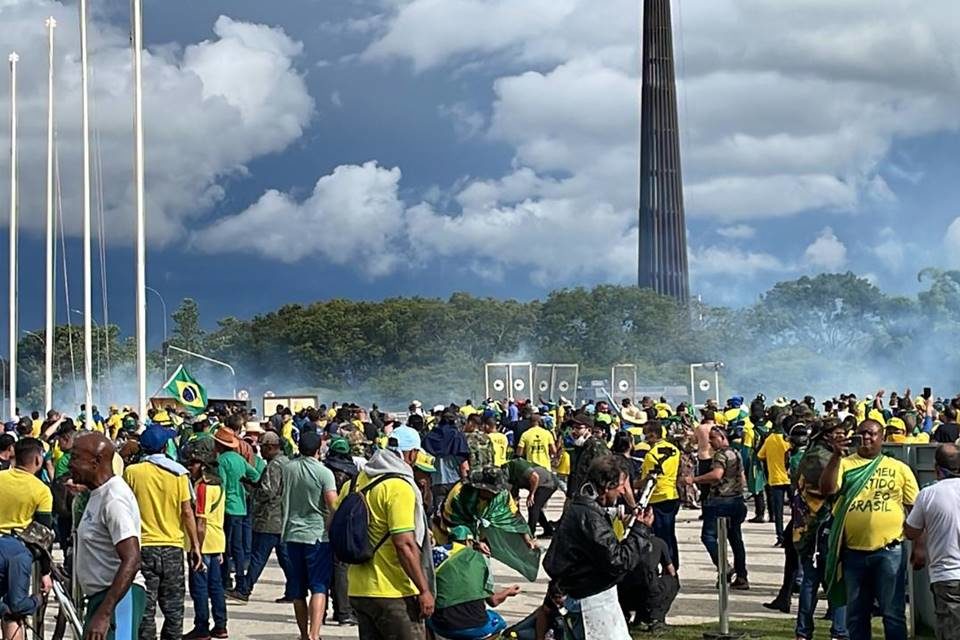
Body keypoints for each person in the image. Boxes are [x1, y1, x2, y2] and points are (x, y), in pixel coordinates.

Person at [821, 419, 918, 640]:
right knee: (856, 614)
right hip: (853, 553)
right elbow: (827, 489)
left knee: (892, 613)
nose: (866, 438)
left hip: (889, 551)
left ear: (882, 437)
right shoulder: (845, 464)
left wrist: (920, 545)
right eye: (862, 433)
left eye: (872, 434)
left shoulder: (899, 469)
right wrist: (835, 455)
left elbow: (916, 510)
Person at [543, 456, 656, 639]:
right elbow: (618, 561)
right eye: (620, 485)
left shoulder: (583, 508)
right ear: (606, 485)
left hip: (589, 597)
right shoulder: (589, 517)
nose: (622, 491)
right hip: (591, 602)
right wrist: (640, 530)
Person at [339, 425, 434, 640]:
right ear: (412, 454)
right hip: (394, 592)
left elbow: (333, 525)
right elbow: (404, 544)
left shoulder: (353, 483)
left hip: (358, 590)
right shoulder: (398, 487)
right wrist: (424, 590)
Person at [123, 425, 202, 640]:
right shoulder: (178, 474)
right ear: (165, 446)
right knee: (174, 610)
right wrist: (195, 546)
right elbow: (187, 512)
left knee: (145, 610)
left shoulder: (132, 473)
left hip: (142, 548)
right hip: (172, 549)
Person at [69, 432, 146, 640]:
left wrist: (105, 614)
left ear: (96, 462)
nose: (70, 464)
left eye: (75, 457)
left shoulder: (114, 499)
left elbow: (132, 558)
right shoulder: (96, 494)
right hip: (101, 599)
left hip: (118, 600)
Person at [281, 430, 338, 640]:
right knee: (319, 587)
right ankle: (315, 634)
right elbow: (333, 504)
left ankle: (303, 634)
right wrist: (330, 526)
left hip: (291, 534)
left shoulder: (288, 469)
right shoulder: (324, 473)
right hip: (317, 535)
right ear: (318, 449)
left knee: (297, 590)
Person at [904, 443, 960, 640]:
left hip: (947, 575)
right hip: (948, 575)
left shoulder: (928, 494)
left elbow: (911, 531)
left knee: (950, 633)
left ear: (936, 468)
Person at [0, 438, 53, 640]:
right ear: (38, 460)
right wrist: (45, 572)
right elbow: (43, 536)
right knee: (16, 611)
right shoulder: (41, 490)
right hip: (18, 554)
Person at [684, 426, 750, 590]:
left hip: (720, 501)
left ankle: (724, 566)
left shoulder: (720, 455)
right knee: (735, 539)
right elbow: (742, 478)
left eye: (713, 438)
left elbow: (716, 475)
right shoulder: (736, 453)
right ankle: (742, 576)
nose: (710, 442)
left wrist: (694, 480)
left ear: (722, 437)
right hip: (736, 500)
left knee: (708, 537)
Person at [427, 526, 520, 640]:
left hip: (442, 626)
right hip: (477, 625)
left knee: (426, 619)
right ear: (469, 541)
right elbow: (493, 601)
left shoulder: (436, 554)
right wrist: (508, 592)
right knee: (498, 622)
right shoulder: (481, 559)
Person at [231, 432, 289, 603]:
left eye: (262, 448)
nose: (260, 451)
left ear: (270, 447)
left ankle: (244, 589)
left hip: (269, 518)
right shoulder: (287, 463)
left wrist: (253, 492)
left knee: (258, 556)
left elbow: (268, 491)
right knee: (285, 558)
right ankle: (294, 589)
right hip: (283, 518)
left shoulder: (274, 465)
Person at [182, 439, 228, 640]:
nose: (190, 467)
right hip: (217, 541)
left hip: (204, 543)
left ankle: (201, 627)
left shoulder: (202, 487)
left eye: (193, 463)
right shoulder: (219, 483)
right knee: (216, 587)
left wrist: (195, 548)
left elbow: (201, 522)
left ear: (203, 464)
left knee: (199, 588)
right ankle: (221, 625)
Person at [213, 428, 261, 592]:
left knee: (225, 547)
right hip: (241, 506)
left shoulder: (221, 461)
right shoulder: (240, 460)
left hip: (227, 508)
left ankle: (226, 580)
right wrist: (243, 483)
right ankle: (241, 580)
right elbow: (255, 475)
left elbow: (222, 486)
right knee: (238, 548)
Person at [322, 437, 359, 624]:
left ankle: (323, 610)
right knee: (342, 568)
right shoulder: (354, 473)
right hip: (344, 524)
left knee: (325, 568)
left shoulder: (324, 470)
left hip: (323, 522)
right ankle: (343, 611)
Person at [640, 422, 681, 569]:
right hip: (672, 494)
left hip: (657, 497)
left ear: (653, 435)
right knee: (670, 533)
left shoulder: (651, 456)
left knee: (659, 537)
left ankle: (666, 565)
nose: (645, 438)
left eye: (646, 434)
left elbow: (648, 480)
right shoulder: (675, 450)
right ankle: (673, 564)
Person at [617, 534, 678, 633]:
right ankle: (656, 618)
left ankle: (627, 616)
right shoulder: (659, 542)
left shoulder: (625, 543)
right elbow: (671, 571)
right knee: (673, 581)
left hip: (627, 595)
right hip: (649, 592)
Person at [422, 412, 470, 515]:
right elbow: (463, 465)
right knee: (455, 514)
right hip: (455, 481)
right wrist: (465, 481)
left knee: (439, 515)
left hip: (436, 481)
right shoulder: (457, 436)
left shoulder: (430, 436)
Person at [758, 419, 792, 546]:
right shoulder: (789, 440)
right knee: (796, 509)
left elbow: (760, 455)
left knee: (778, 512)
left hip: (775, 478)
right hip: (790, 478)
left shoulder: (769, 439)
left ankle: (780, 537)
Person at [504, 457, 557, 538]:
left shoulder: (517, 466)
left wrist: (531, 495)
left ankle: (530, 533)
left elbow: (535, 477)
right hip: (540, 483)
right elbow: (514, 501)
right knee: (535, 508)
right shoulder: (510, 480)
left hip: (548, 483)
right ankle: (548, 530)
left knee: (533, 507)